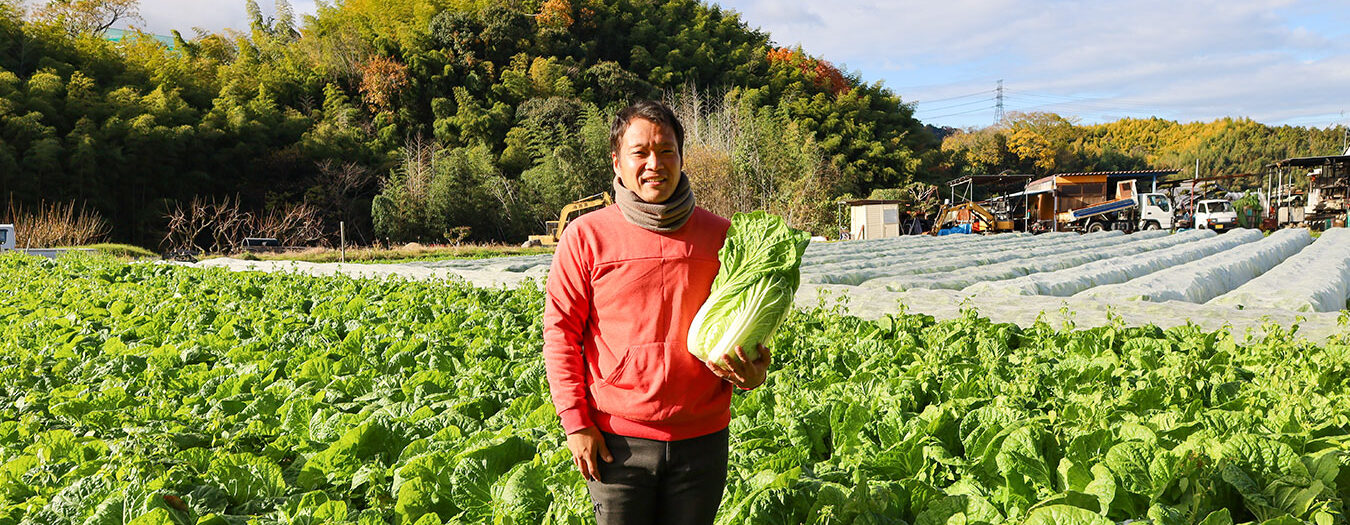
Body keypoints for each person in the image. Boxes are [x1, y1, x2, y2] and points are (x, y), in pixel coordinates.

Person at [542, 100, 773, 525]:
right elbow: (560, 334)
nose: (655, 163)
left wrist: (753, 372)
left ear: (682, 158)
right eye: (640, 152)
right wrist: (576, 424)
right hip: (617, 442)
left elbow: (746, 332)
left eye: (667, 151)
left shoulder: (723, 236)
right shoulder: (586, 236)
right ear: (617, 160)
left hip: (702, 440)